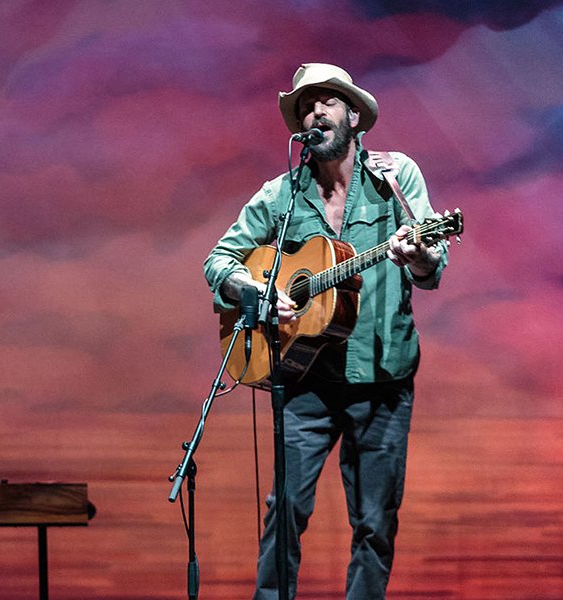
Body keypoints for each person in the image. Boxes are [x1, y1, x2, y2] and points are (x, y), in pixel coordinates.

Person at [203, 63, 449, 600]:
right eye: (306, 105)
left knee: (375, 523)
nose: (315, 111)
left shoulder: (395, 177)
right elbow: (219, 262)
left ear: (354, 116)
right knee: (285, 512)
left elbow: (433, 269)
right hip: (304, 376)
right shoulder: (281, 195)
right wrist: (257, 292)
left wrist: (423, 253)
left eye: (328, 102)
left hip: (383, 379)